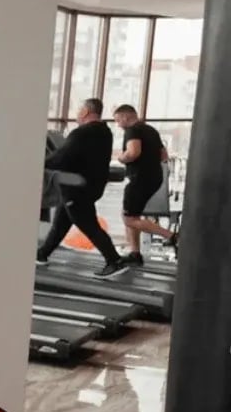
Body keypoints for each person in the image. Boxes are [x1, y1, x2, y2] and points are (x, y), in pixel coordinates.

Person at [36, 98, 128, 278]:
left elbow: (62, 157)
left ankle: (114, 260)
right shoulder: (105, 132)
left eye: (79, 110)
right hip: (91, 186)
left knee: (88, 224)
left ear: (86, 111)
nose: (77, 113)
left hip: (75, 187)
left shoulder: (81, 134)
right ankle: (42, 254)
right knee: (61, 222)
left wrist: (40, 164)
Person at [113, 104, 178, 263]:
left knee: (129, 218)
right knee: (131, 214)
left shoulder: (132, 130)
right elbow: (164, 155)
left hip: (139, 179)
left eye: (118, 120)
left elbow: (133, 153)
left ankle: (173, 237)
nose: (118, 124)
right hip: (155, 178)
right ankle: (135, 253)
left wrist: (121, 158)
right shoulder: (151, 130)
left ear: (126, 117)